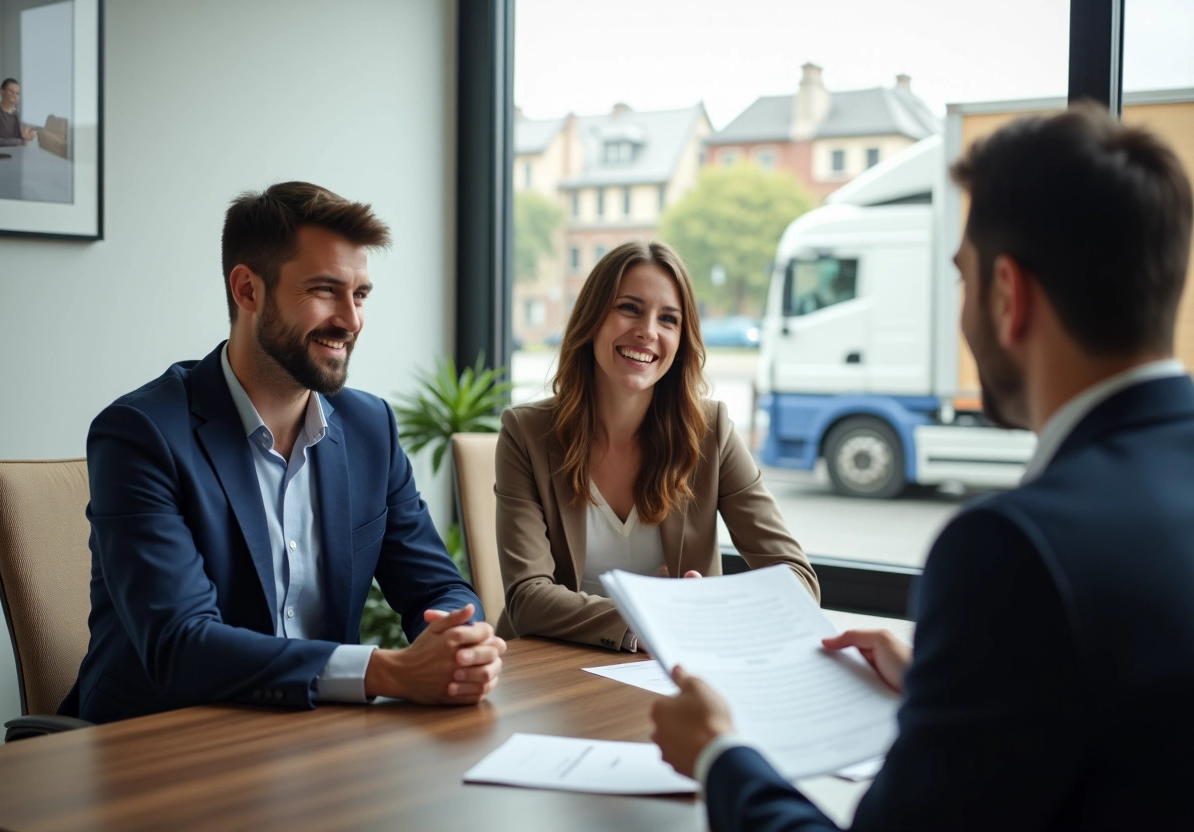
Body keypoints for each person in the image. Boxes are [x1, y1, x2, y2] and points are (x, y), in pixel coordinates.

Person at [650, 103, 1194, 830]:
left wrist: (720, 756)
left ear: (1010, 294)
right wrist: (950, 690)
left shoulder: (1012, 552)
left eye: (963, 280)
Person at [60, 182, 505, 723]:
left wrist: (461, 643)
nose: (351, 320)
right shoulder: (141, 434)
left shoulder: (371, 428)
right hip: (161, 744)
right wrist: (384, 672)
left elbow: (435, 585)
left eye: (360, 294)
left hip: (315, 741)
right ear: (248, 290)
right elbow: (181, 645)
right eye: (325, 291)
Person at [495, 240, 819, 651]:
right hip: (551, 673)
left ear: (681, 342)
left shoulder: (711, 432)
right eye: (629, 308)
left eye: (668, 319)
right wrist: (652, 614)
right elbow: (527, 599)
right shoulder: (526, 433)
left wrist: (716, 608)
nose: (648, 331)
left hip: (672, 675)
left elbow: (798, 580)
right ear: (592, 319)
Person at [0, 78, 35, 146]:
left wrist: (29, 135)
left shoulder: (18, 114)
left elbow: (25, 136)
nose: (15, 95)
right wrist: (19, 141)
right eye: (11, 91)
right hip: (2, 153)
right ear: (2, 91)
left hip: (19, 151)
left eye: (17, 93)